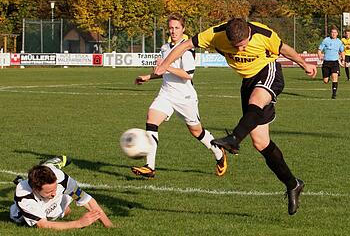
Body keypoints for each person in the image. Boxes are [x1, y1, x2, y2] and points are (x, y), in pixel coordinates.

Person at [154, 18, 317, 215]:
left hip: (268, 71)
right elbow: (187, 44)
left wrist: (304, 64)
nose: (240, 51)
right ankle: (293, 184)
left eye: (243, 45)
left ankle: (234, 139)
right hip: (247, 82)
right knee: (260, 142)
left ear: (249, 33)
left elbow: (284, 49)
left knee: (256, 101)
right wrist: (165, 64)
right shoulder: (215, 34)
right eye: (235, 47)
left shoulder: (263, 35)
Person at [131, 13, 227, 178]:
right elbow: (163, 71)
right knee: (151, 120)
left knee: (196, 131)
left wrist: (166, 66)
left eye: (177, 28)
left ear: (183, 29)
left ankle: (218, 152)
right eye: (171, 28)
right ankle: (150, 166)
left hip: (185, 97)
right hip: (166, 94)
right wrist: (149, 76)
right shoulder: (164, 48)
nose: (173, 31)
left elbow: (188, 74)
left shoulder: (187, 48)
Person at [9, 155, 113, 230]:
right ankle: (21, 181)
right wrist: (79, 223)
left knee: (67, 206)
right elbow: (42, 225)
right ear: (35, 189)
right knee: (64, 212)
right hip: (22, 217)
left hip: (48, 189)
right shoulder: (24, 196)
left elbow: (87, 201)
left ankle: (49, 165)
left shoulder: (61, 179)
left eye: (54, 189)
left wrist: (109, 226)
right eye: (49, 191)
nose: (54, 194)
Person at [318, 25, 345, 99]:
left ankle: (334, 94)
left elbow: (342, 51)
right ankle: (328, 76)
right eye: (332, 32)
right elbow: (320, 49)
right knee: (326, 81)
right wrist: (319, 54)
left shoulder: (339, 42)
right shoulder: (326, 40)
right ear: (330, 33)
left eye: (335, 32)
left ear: (337, 33)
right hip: (326, 62)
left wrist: (343, 60)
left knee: (335, 77)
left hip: (335, 62)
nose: (333, 34)